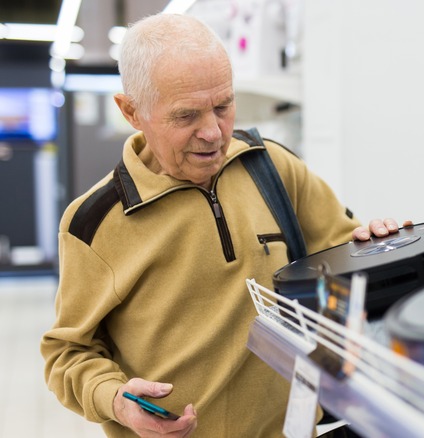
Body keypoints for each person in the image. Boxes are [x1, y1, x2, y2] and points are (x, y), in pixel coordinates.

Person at [41, 13, 404, 437]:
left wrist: (380, 246)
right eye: (186, 116)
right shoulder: (94, 224)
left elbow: (347, 256)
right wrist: (115, 400)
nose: (213, 132)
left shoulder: (271, 167)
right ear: (131, 111)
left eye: (223, 106)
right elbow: (68, 351)